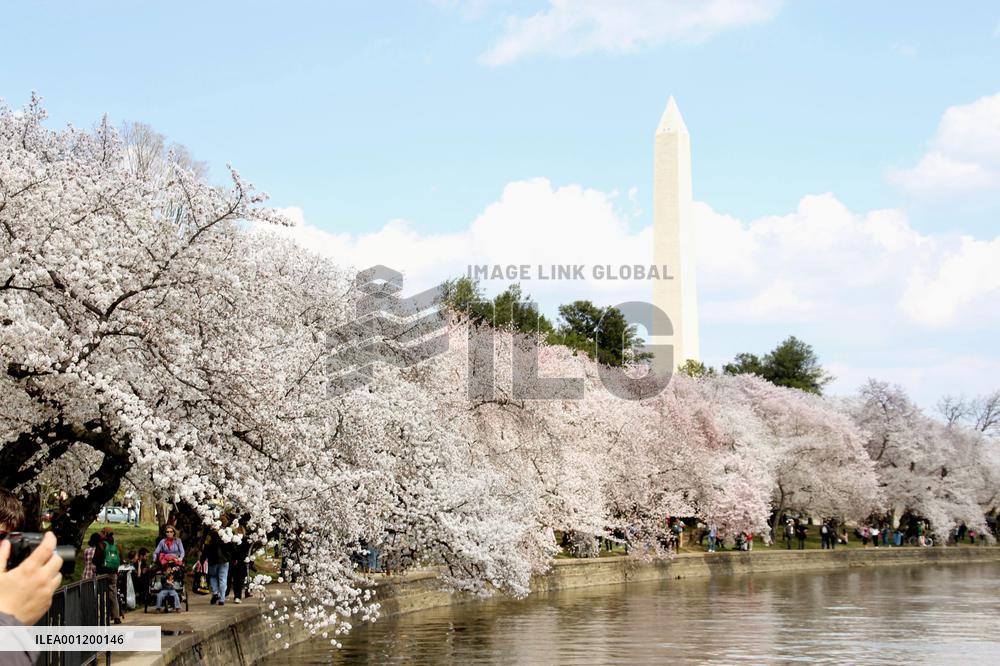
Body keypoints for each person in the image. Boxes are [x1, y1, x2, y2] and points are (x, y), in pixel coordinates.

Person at [95, 528, 123, 623]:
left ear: (105, 534)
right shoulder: (117, 545)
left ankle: (101, 616)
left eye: (101, 532)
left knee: (100, 595)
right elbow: (121, 559)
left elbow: (96, 560)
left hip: (102, 574)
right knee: (113, 595)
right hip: (113, 573)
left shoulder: (101, 545)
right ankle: (116, 617)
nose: (100, 534)